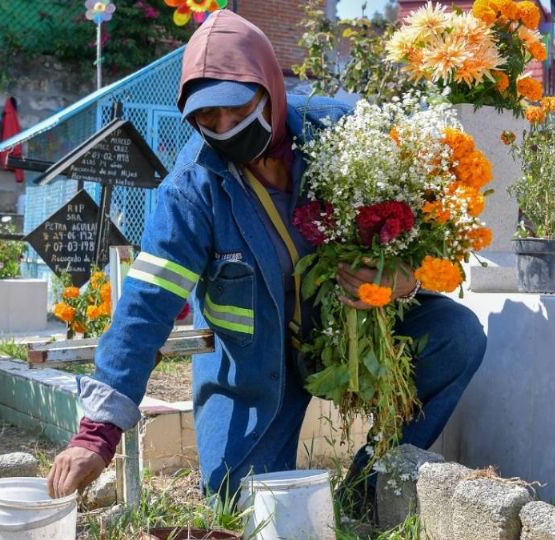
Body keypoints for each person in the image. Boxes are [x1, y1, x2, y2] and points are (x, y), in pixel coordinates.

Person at [48, 9, 487, 520]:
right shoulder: (193, 190)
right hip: (254, 368)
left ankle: (369, 489)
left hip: (344, 336)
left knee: (456, 335)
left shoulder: (340, 136)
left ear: (271, 90)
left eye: (236, 112)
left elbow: (416, 226)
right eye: (208, 120)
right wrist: (97, 433)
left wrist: (403, 280)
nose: (225, 129)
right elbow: (147, 304)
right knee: (243, 508)